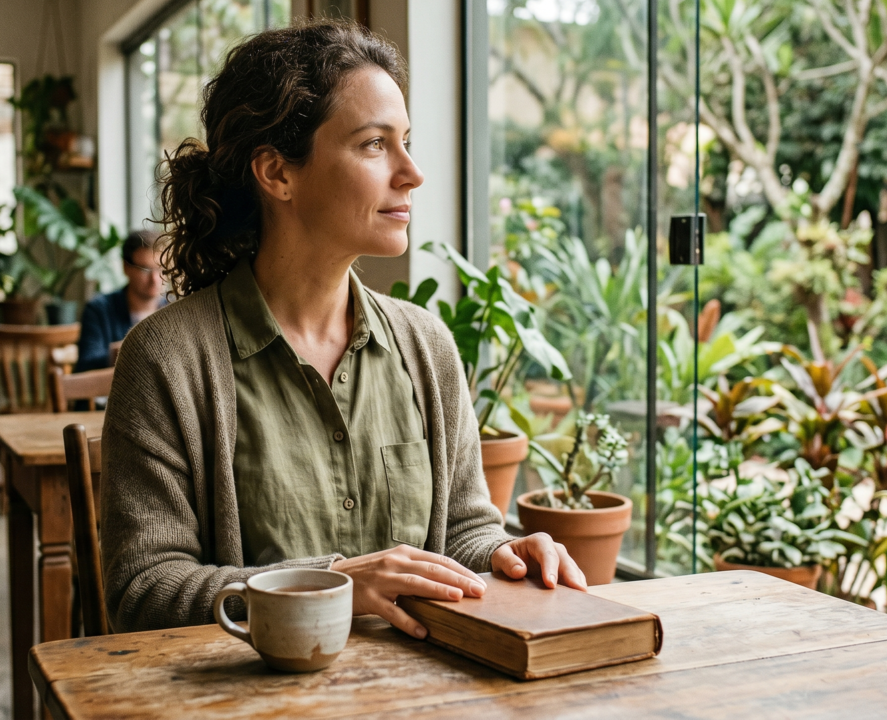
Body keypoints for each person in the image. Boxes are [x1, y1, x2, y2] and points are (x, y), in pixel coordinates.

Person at [101, 20, 586, 638]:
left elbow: (464, 530)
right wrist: (332, 583)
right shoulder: (166, 359)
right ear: (278, 173)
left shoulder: (427, 347)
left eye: (406, 141)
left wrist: (501, 554)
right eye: (374, 145)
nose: (411, 172)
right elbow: (142, 591)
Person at [74, 230, 166, 372]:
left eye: (161, 269)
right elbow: (86, 365)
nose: (155, 279)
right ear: (125, 267)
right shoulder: (99, 309)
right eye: (145, 269)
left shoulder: (175, 310)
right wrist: (131, 351)